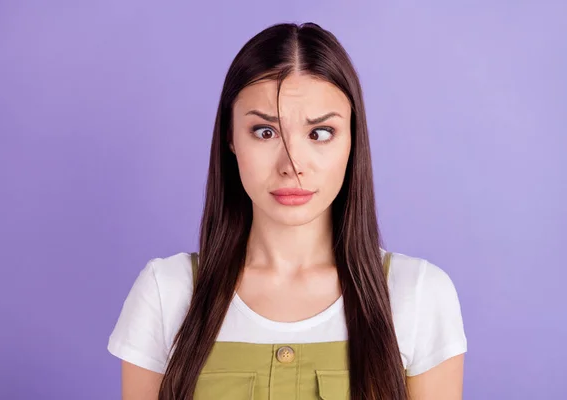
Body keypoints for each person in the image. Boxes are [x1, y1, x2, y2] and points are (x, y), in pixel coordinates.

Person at [107, 22, 467, 400]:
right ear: (231, 138)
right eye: (265, 132)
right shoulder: (167, 292)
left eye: (320, 133)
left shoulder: (419, 295)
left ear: (352, 140)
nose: (292, 164)